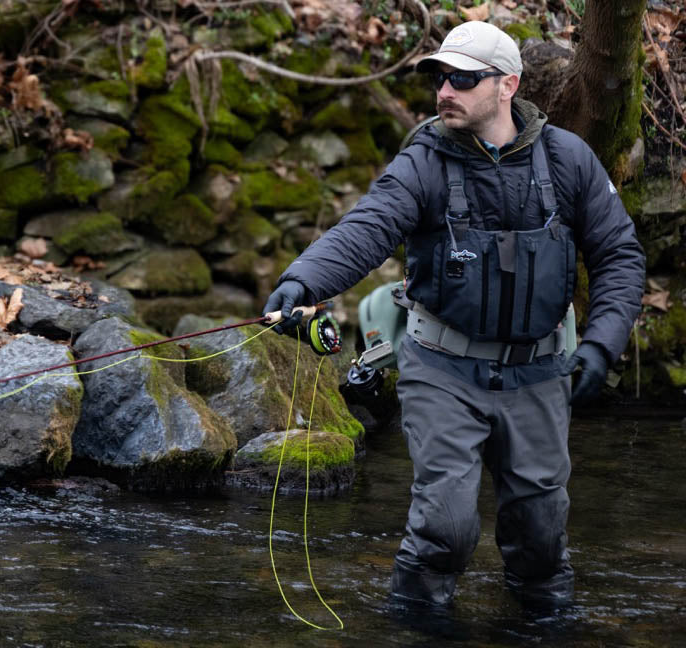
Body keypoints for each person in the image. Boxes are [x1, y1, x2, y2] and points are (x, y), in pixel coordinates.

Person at [263, 21, 645, 610]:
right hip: (441, 369)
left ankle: (543, 623)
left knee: (542, 538)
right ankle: (415, 623)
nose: (446, 90)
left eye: (464, 79)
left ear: (508, 85)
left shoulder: (568, 160)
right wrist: (303, 281)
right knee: (446, 528)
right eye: (441, 78)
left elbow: (619, 255)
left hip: (539, 373)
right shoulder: (423, 161)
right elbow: (367, 228)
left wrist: (602, 343)